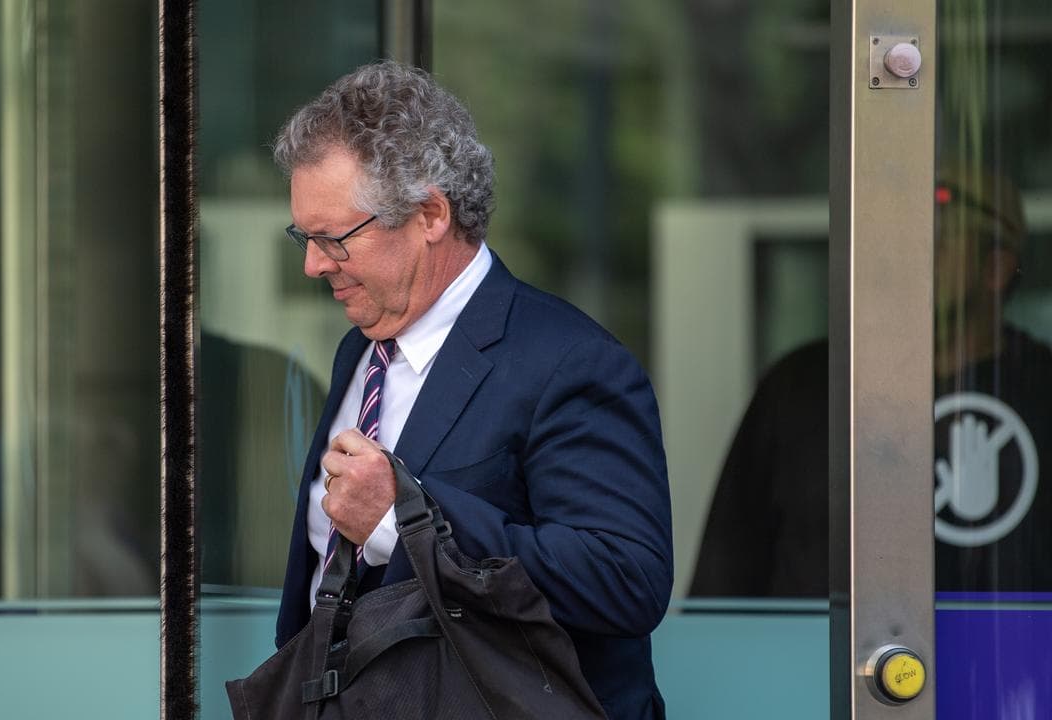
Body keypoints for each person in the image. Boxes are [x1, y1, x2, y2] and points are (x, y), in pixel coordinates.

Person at [271, 61, 673, 719]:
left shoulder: (570, 361)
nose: (314, 264)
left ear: (430, 214)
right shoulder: (360, 349)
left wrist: (403, 521)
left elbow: (626, 579)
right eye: (304, 237)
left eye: (332, 238)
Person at [689, 163, 1052, 597]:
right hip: (805, 646)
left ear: (995, 268)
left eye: (934, 239)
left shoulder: (1041, 388)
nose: (904, 257)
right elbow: (721, 589)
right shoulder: (803, 384)